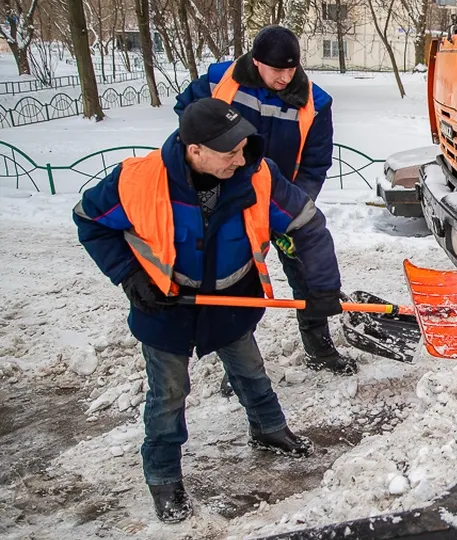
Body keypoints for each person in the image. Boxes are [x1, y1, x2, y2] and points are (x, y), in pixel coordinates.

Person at [72, 98, 344, 523]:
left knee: (250, 369)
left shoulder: (258, 175)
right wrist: (129, 275)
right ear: (194, 149)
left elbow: (306, 223)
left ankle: (269, 428)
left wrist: (324, 287)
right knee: (170, 393)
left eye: (243, 148)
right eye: (229, 152)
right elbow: (89, 219)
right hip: (164, 304)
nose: (240, 160)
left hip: (233, 297)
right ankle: (163, 475)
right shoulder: (137, 181)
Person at [173, 25, 355, 377]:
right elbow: (187, 115)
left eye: (292, 69)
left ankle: (319, 349)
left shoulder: (316, 103)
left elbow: (315, 164)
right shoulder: (219, 81)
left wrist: (294, 212)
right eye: (277, 70)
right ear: (257, 62)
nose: (286, 77)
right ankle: (238, 366)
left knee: (305, 273)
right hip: (227, 199)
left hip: (280, 200)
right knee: (237, 280)